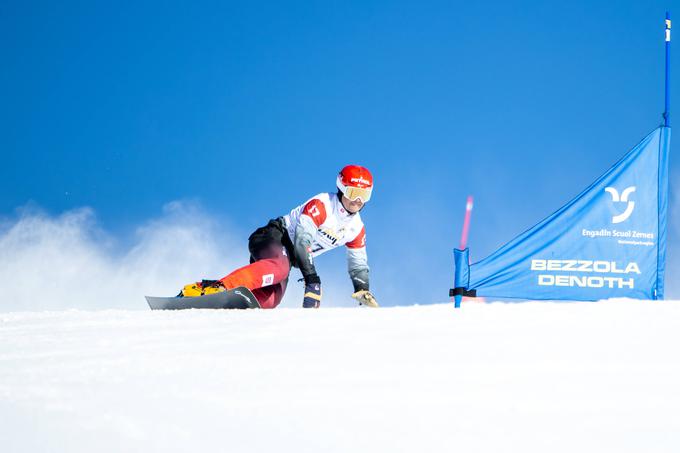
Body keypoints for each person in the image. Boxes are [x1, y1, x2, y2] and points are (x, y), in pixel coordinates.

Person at [179, 165, 379, 309]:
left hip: (288, 259)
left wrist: (362, 290)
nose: (357, 200)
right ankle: (215, 288)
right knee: (279, 268)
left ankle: (230, 306)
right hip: (273, 238)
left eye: (364, 195)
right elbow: (302, 240)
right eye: (353, 193)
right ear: (342, 188)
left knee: (271, 300)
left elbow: (358, 263)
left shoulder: (356, 228)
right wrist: (312, 279)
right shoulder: (323, 204)